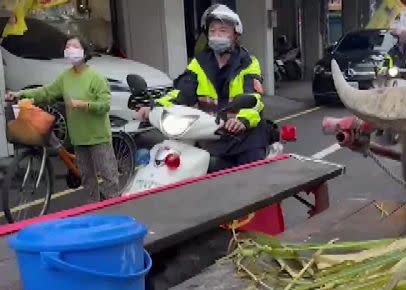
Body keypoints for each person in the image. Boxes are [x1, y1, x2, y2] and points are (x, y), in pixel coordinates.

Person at [135, 4, 267, 172]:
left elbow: (253, 97)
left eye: (223, 31)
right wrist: (154, 107)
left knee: (253, 178)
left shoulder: (248, 62)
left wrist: (242, 121)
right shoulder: (199, 63)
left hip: (243, 137)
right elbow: (181, 93)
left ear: (235, 34)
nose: (216, 36)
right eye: (212, 31)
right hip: (209, 133)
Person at [6, 36, 118, 203]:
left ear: (84, 51)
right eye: (67, 46)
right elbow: (47, 92)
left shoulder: (95, 77)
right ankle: (95, 210)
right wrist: (21, 94)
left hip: (98, 136)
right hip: (79, 138)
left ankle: (115, 209)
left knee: (109, 177)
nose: (70, 49)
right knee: (87, 178)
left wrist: (83, 104)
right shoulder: (66, 77)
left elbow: (105, 105)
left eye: (74, 45)